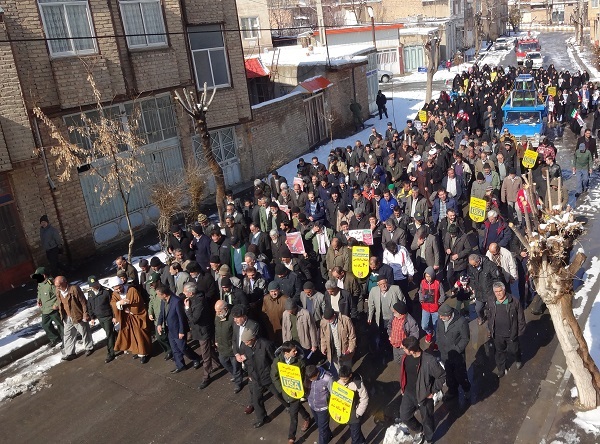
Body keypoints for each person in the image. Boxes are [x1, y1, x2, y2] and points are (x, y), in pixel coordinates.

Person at [397, 336, 446, 444]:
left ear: (412, 351)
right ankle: (420, 430)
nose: (402, 349)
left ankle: (429, 439)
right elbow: (404, 374)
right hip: (409, 393)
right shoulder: (406, 357)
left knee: (427, 420)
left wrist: (433, 391)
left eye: (404, 348)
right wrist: (403, 387)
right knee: (404, 415)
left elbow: (441, 375)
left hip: (424, 395)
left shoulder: (429, 361)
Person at [240, 328, 289, 428]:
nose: (245, 344)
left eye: (247, 341)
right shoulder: (246, 347)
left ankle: (289, 406)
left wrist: (275, 375)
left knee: (279, 394)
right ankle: (261, 418)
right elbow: (248, 362)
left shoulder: (266, 345)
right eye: (244, 342)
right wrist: (250, 374)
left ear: (253, 338)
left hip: (268, 377)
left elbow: (274, 360)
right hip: (256, 378)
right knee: (256, 399)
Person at [271, 342, 313, 443]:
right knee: (296, 407)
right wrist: (282, 390)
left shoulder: (299, 361)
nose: (296, 352)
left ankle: (291, 438)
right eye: (293, 351)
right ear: (286, 353)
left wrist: (301, 390)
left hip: (296, 392)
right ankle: (307, 417)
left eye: (295, 350)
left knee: (293, 414)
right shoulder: (278, 361)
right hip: (285, 392)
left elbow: (304, 377)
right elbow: (274, 376)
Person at [155, 284, 202, 374]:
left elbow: (181, 318)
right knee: (175, 348)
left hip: (178, 329)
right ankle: (180, 365)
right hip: (170, 329)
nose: (158, 296)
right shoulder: (163, 301)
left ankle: (195, 358)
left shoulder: (176, 301)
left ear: (164, 294)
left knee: (183, 347)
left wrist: (181, 331)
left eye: (158, 294)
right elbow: (162, 313)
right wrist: (159, 324)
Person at [183, 282, 220, 388]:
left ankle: (206, 376)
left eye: (185, 291)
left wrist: (187, 309)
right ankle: (217, 363)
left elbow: (195, 319)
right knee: (208, 349)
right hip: (200, 331)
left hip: (203, 331)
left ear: (190, 293)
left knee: (205, 355)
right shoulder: (194, 299)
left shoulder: (199, 302)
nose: (183, 293)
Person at [487, 282, 526, 378]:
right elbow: (489, 315)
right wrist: (490, 329)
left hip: (511, 334)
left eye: (500, 291)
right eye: (496, 292)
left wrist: (520, 332)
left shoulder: (514, 301)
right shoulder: (491, 300)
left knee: (514, 349)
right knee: (499, 352)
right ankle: (501, 369)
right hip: (497, 334)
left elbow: (521, 318)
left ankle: (518, 357)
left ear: (504, 290)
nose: (498, 293)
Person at [109, 276, 152, 363]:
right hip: (126, 319)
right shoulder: (115, 294)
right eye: (116, 289)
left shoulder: (132, 290)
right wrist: (119, 303)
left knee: (140, 334)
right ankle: (137, 350)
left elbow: (138, 303)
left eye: (120, 287)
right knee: (131, 335)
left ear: (122, 285)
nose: (119, 290)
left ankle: (144, 353)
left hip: (136, 316)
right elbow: (113, 303)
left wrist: (129, 309)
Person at [436, 303, 471, 401]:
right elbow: (438, 332)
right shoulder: (440, 320)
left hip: (457, 355)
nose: (440, 317)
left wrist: (457, 350)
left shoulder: (461, 322)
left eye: (442, 316)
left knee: (460, 374)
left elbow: (465, 338)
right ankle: (452, 391)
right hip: (444, 353)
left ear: (449, 315)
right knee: (449, 375)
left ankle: (466, 388)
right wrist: (438, 343)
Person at [54, 276, 94, 361]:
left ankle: (89, 348)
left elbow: (83, 302)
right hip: (66, 316)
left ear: (65, 282)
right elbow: (60, 301)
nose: (58, 287)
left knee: (84, 331)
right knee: (68, 335)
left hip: (77, 315)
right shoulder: (58, 291)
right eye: (56, 286)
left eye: (59, 285)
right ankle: (70, 353)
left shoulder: (74, 289)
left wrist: (85, 314)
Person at [214, 300, 243, 394]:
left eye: (219, 311)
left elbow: (236, 334)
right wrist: (216, 340)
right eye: (216, 311)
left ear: (225, 309)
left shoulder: (232, 318)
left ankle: (238, 382)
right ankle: (236, 375)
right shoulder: (218, 317)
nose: (217, 313)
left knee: (236, 366)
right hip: (222, 346)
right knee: (223, 361)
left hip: (232, 347)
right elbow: (216, 329)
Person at [86, 276, 116, 363]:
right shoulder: (90, 293)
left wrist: (114, 316)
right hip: (99, 317)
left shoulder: (106, 291)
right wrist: (92, 317)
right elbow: (90, 305)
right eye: (92, 285)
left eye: (95, 284)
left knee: (109, 334)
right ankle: (120, 342)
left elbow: (112, 305)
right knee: (111, 332)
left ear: (98, 282)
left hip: (108, 316)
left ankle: (111, 353)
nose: (94, 286)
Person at [336, 365, 369, 444]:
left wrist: (358, 413)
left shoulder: (357, 384)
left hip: (354, 414)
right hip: (346, 413)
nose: (343, 381)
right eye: (341, 378)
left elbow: (364, 399)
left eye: (345, 379)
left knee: (355, 438)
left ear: (350, 375)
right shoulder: (339, 382)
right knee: (355, 432)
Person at [32, 267, 63, 349]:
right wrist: (38, 299)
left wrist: (56, 304)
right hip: (45, 309)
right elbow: (39, 292)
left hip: (53, 308)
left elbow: (59, 294)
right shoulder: (40, 283)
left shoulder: (51, 283)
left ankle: (65, 340)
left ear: (44, 275)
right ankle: (55, 339)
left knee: (60, 325)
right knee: (45, 325)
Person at [320, 306, 356, 375]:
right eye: (327, 320)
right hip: (333, 352)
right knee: (338, 369)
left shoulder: (345, 320)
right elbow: (323, 336)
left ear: (334, 315)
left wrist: (350, 348)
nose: (328, 322)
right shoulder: (324, 322)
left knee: (347, 370)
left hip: (345, 351)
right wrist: (323, 347)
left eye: (330, 320)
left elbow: (352, 336)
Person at [146, 272, 172, 360]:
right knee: (159, 337)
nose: (151, 285)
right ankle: (169, 350)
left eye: (152, 283)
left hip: (165, 316)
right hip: (157, 317)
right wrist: (150, 312)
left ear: (158, 281)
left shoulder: (164, 289)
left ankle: (174, 351)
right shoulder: (152, 290)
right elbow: (151, 302)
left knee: (169, 336)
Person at [305, 364, 333, 444]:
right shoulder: (309, 375)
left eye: (312, 378)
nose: (310, 380)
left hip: (323, 408)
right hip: (312, 405)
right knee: (320, 425)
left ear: (317, 374)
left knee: (322, 429)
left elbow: (332, 392)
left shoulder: (327, 378)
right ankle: (329, 435)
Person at [419, 266, 445, 346]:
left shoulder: (438, 283)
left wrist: (439, 303)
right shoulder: (422, 282)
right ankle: (429, 333)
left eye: (429, 276)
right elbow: (420, 291)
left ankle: (437, 341)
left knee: (436, 326)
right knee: (424, 325)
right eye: (426, 276)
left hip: (435, 310)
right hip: (425, 308)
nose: (428, 278)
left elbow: (443, 294)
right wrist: (421, 300)